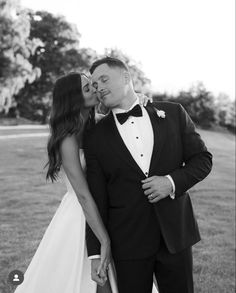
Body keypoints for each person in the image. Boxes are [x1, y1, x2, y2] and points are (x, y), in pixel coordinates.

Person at [14, 72, 152, 293]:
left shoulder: (97, 124)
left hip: (107, 208)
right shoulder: (66, 139)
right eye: (88, 88)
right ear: (73, 99)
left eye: (94, 85)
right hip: (81, 214)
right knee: (94, 280)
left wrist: (139, 98)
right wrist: (103, 240)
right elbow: (83, 195)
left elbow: (126, 115)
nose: (96, 90)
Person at [84, 57, 213, 293]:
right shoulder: (94, 137)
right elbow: (96, 199)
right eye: (94, 84)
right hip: (128, 242)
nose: (99, 88)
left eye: (104, 79)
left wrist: (171, 182)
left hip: (176, 235)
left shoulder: (173, 113)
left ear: (126, 77)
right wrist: (95, 252)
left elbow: (203, 160)